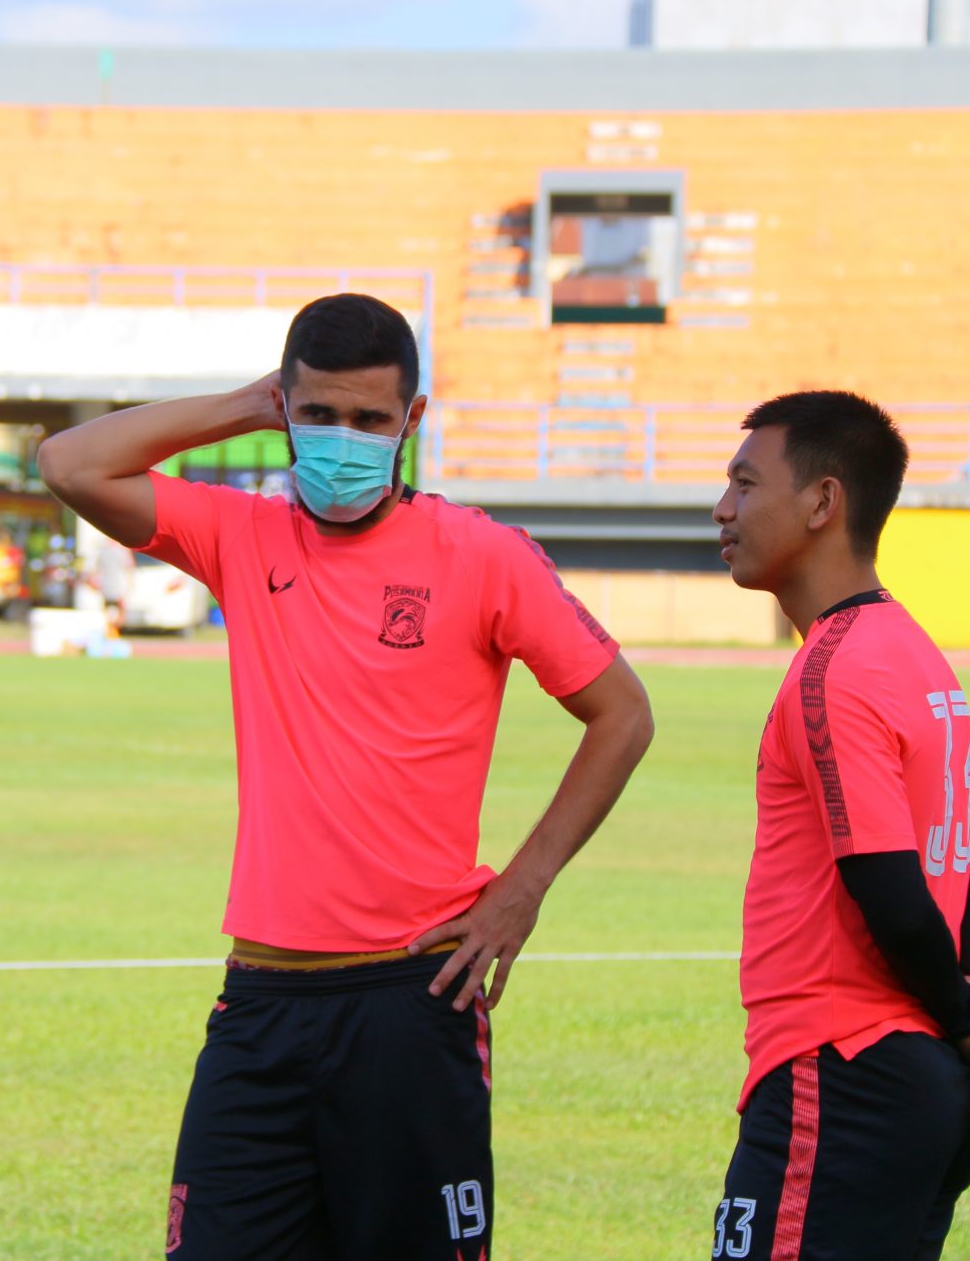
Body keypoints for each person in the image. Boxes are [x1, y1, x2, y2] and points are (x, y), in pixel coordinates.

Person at [38, 293, 655, 1260]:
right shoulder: (242, 536)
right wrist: (250, 403)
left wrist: (521, 890)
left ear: (413, 421)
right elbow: (70, 463)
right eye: (318, 414)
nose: (343, 439)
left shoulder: (483, 555)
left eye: (370, 420)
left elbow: (622, 713)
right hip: (262, 1001)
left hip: (413, 1001)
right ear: (286, 408)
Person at [709, 391, 970, 1261]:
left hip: (842, 1076)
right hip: (914, 1087)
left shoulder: (833, 670)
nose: (723, 508)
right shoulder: (914, 653)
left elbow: (893, 894)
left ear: (823, 503)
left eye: (745, 484)